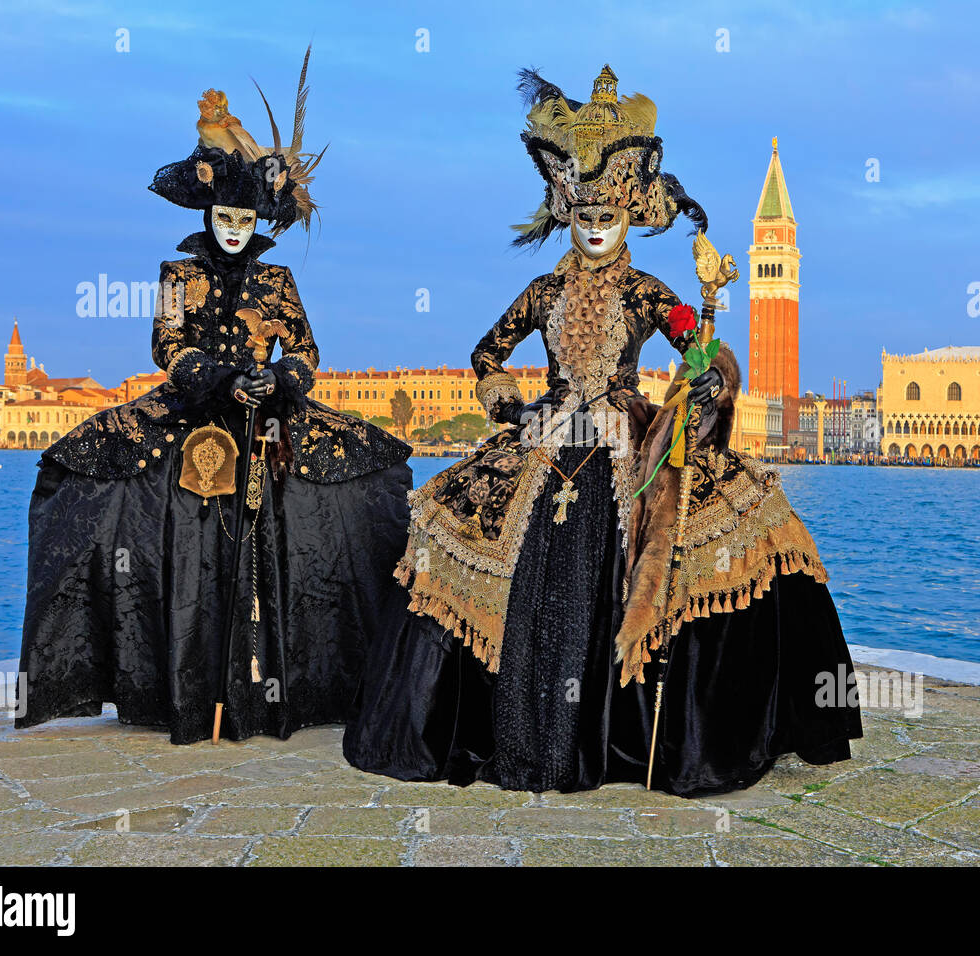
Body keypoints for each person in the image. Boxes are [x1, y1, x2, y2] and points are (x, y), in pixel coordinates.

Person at [345, 65, 861, 797]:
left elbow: (697, 346)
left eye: (607, 217)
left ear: (628, 215)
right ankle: (517, 734)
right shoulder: (544, 291)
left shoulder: (648, 290)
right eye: (582, 215)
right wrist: (508, 407)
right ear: (565, 211)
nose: (593, 227)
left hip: (625, 442)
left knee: (729, 536)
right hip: (547, 437)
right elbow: (486, 355)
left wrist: (712, 371)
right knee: (455, 537)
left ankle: (630, 739)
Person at [17, 54, 411, 744]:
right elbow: (166, 346)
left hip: (270, 417)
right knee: (93, 477)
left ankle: (301, 684)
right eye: (224, 215)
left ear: (258, 219)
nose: (233, 227)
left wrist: (282, 380)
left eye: (244, 217)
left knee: (361, 485)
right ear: (210, 211)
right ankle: (179, 688)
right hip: (194, 414)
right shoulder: (177, 273)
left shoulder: (279, 279)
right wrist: (220, 378)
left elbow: (307, 351)